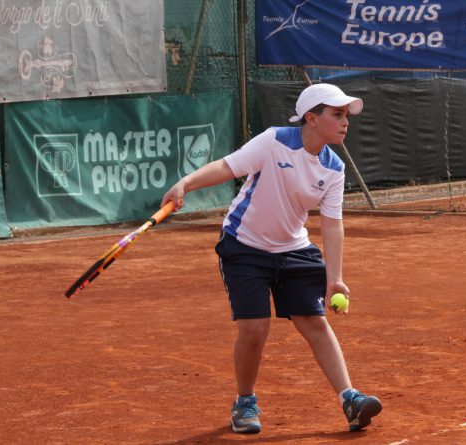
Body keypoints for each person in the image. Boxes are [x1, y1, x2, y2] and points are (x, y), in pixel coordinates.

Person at [161, 83, 382, 434]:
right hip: (244, 245)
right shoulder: (273, 141)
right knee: (254, 329)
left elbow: (332, 225)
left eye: (346, 116)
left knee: (315, 322)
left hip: (293, 249)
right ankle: (244, 402)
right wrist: (185, 183)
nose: (345, 123)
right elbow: (227, 166)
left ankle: (349, 399)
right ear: (311, 118)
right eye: (337, 115)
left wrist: (335, 278)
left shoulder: (334, 168)